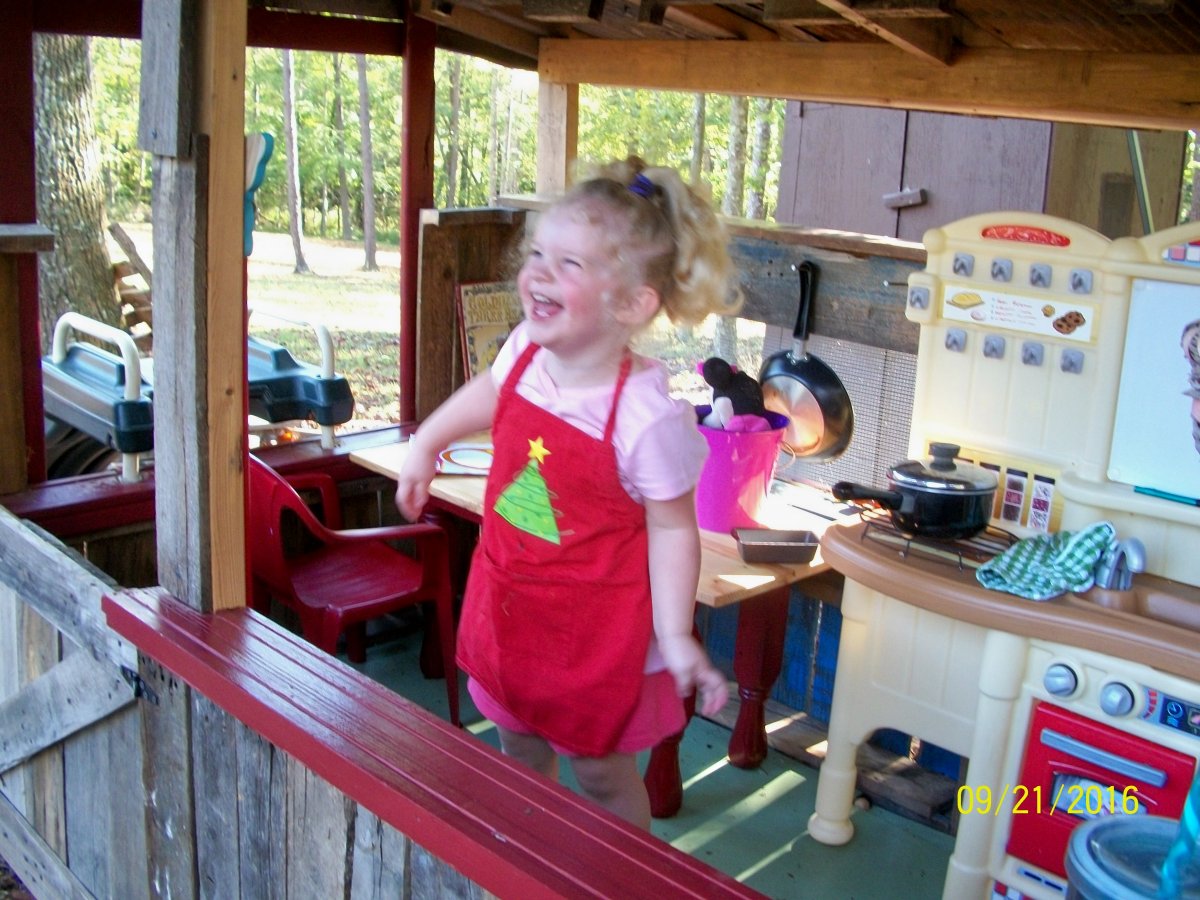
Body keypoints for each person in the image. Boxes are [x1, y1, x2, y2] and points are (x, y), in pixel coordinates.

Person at [394, 158, 739, 828]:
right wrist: (426, 442)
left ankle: (622, 871)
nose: (539, 273)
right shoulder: (524, 349)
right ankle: (532, 850)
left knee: (601, 771)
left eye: (569, 263)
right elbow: (492, 393)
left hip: (596, 638)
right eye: (538, 254)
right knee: (518, 747)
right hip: (512, 606)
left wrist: (675, 634)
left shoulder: (645, 418)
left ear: (631, 304)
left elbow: (673, 528)